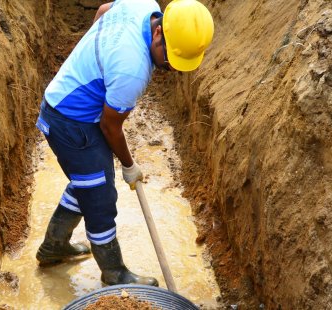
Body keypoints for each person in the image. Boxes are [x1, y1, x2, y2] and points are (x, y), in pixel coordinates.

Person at [34, 0, 214, 287]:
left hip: (67, 105)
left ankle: (54, 246)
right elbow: (110, 126)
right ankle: (113, 272)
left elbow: (105, 10)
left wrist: (100, 54)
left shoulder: (143, 4)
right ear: (159, 34)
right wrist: (129, 165)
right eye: (169, 59)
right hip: (69, 121)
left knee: (90, 182)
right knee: (101, 198)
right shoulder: (132, 70)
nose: (171, 68)